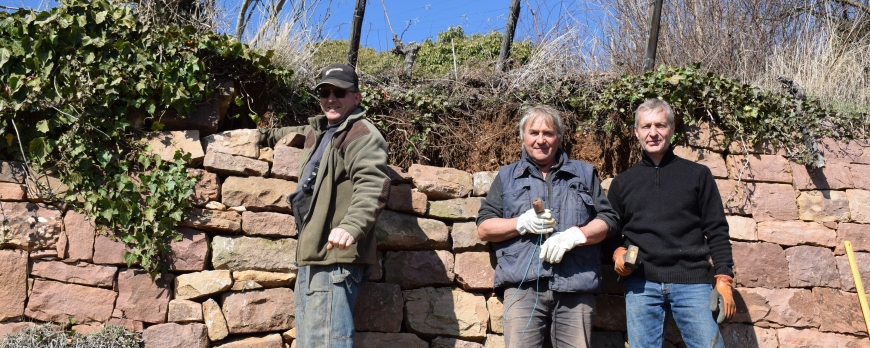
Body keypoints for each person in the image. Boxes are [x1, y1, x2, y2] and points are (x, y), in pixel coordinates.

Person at [258, 63, 391, 347]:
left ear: (356, 97)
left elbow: (373, 183)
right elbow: (280, 133)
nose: (331, 98)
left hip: (335, 257)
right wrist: (249, 137)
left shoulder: (360, 134)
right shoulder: (319, 130)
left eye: (339, 92)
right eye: (325, 92)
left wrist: (352, 225)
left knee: (327, 342)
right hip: (313, 254)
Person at [476, 105, 618, 348]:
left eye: (548, 133)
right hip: (523, 291)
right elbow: (484, 228)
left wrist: (577, 235)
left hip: (575, 288)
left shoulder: (584, 174)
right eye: (534, 133)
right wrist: (521, 223)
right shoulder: (507, 176)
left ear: (559, 137)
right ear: (523, 137)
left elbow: (609, 220)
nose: (541, 140)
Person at [607, 98, 735, 348]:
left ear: (672, 129)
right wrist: (617, 252)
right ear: (636, 132)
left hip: (693, 283)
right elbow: (610, 231)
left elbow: (717, 229)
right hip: (641, 284)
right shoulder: (622, 183)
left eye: (660, 125)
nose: (652, 133)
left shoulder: (698, 175)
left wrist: (724, 278)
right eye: (645, 127)